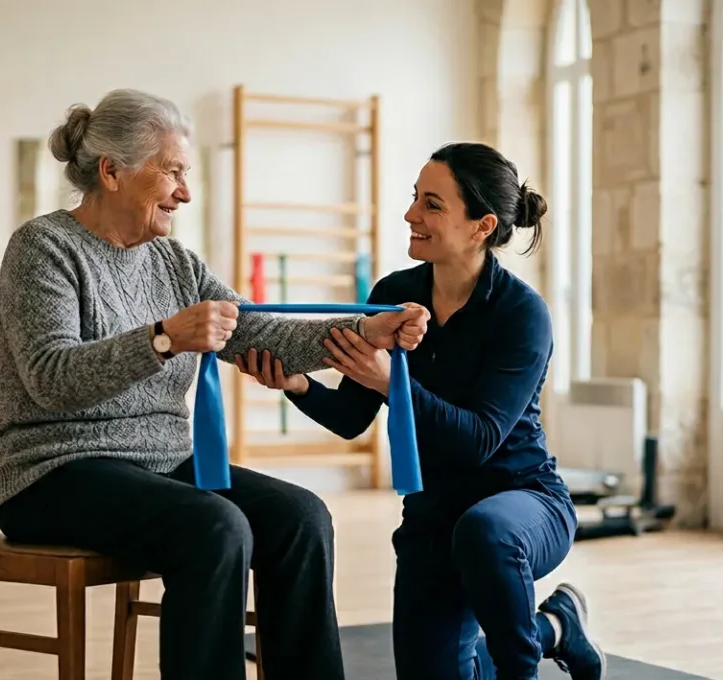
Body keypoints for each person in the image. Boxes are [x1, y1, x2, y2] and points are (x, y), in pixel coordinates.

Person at [0, 88, 429, 680]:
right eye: (171, 172)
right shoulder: (42, 248)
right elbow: (48, 380)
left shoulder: (176, 263)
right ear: (111, 172)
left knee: (302, 518)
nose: (185, 192)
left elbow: (254, 332)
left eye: (185, 173)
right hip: (50, 473)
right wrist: (162, 338)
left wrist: (365, 329)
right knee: (216, 527)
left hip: (159, 467)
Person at [234, 142, 605, 680]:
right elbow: (350, 417)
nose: (411, 214)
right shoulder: (393, 295)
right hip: (434, 518)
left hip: (521, 503)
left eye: (432, 204)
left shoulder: (521, 314)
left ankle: (522, 666)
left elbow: (479, 439)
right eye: (415, 198)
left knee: (486, 533)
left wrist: (391, 383)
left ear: (482, 226)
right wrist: (296, 384)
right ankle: (554, 627)